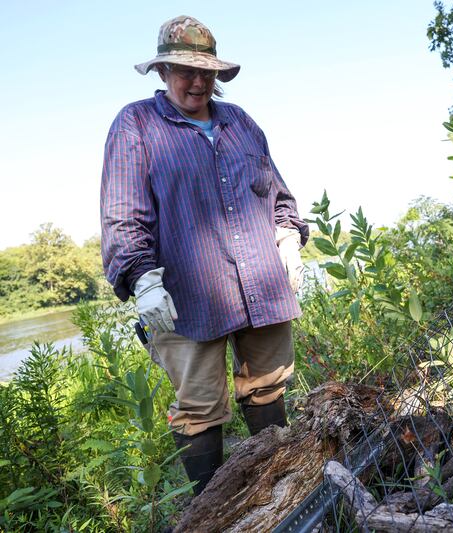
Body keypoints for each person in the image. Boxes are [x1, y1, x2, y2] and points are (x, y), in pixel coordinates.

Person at [100, 15, 308, 495]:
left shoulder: (240, 123)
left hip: (261, 282)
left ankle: (279, 491)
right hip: (184, 293)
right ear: (162, 72)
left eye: (206, 72)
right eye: (183, 70)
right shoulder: (136, 124)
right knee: (197, 407)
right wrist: (141, 278)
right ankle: (212, 511)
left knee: (269, 386)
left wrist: (287, 239)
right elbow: (123, 209)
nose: (197, 81)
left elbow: (276, 195)